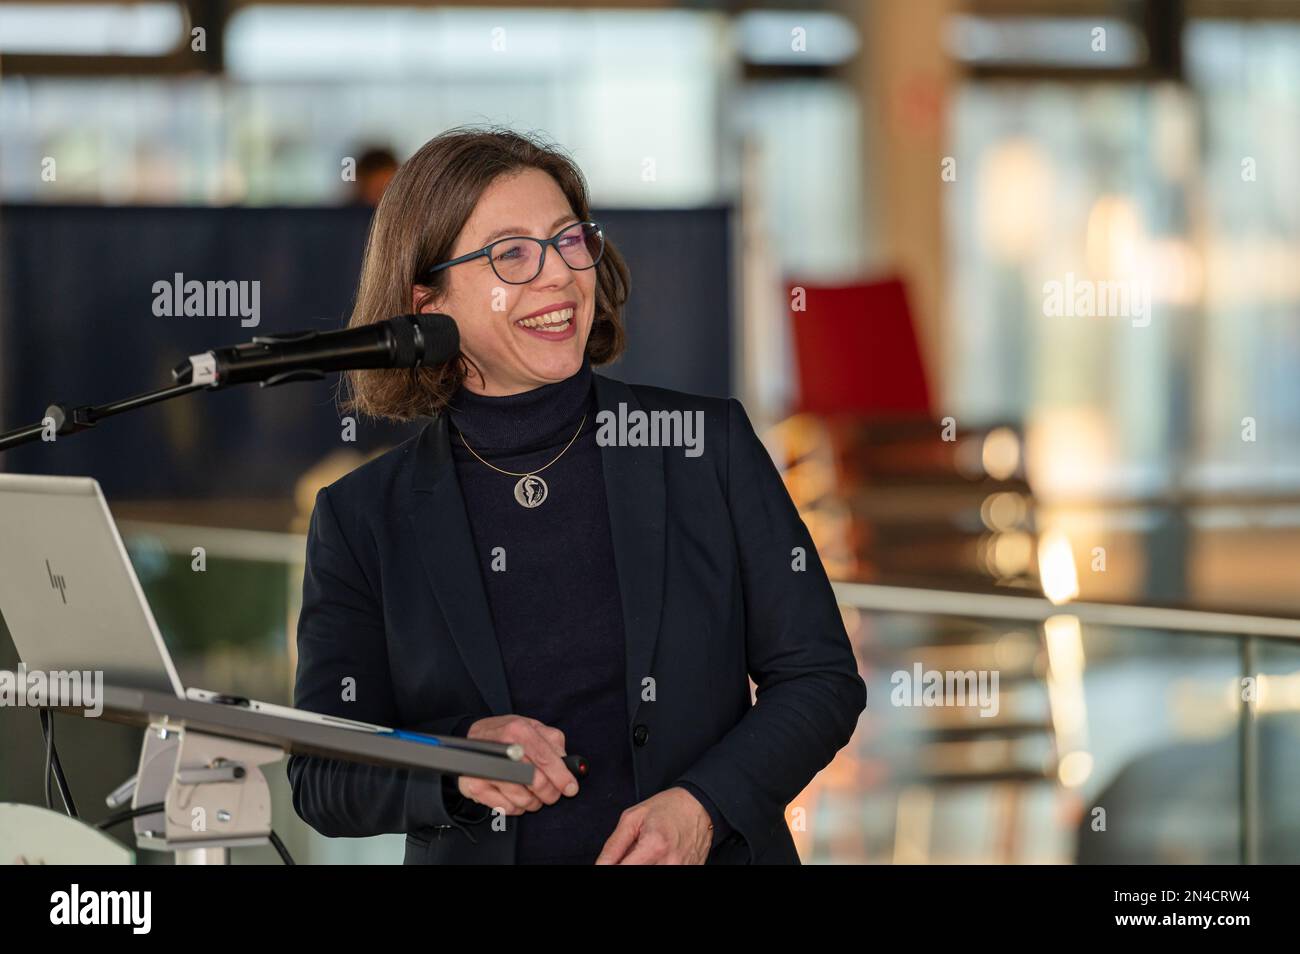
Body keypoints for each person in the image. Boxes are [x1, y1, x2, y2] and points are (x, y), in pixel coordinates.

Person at [286, 125, 866, 864]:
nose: (558, 276)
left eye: (568, 241)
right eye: (512, 254)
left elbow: (819, 680)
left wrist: (704, 807)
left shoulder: (704, 446)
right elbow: (322, 774)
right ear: (424, 301)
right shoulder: (363, 517)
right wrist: (456, 756)